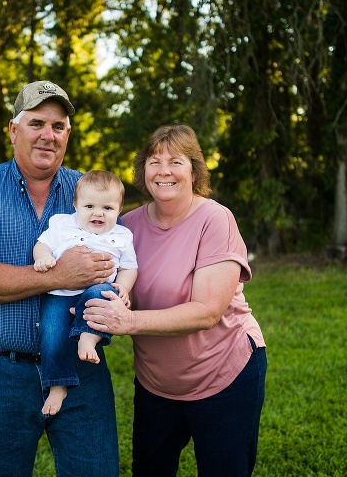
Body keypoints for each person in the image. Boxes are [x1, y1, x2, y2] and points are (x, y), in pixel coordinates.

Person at [0, 80, 120, 477]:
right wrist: (57, 274)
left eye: (58, 127)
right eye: (36, 123)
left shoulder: (89, 192)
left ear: (68, 135)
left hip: (80, 371)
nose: (47, 135)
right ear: (13, 130)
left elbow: (117, 260)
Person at [82, 124, 268, 477]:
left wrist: (130, 322)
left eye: (176, 161)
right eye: (155, 161)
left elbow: (207, 311)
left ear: (194, 171)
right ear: (143, 170)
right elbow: (100, 281)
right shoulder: (125, 227)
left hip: (223, 373)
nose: (164, 171)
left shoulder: (215, 219)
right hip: (156, 382)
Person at [33, 170, 138, 415]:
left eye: (107, 208)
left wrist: (123, 285)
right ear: (76, 205)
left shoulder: (122, 235)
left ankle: (89, 336)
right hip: (60, 293)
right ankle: (57, 385)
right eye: (89, 205)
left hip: (96, 291)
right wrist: (43, 257)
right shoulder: (62, 224)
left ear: (119, 209)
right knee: (51, 333)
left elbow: (129, 267)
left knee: (104, 294)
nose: (98, 213)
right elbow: (42, 244)